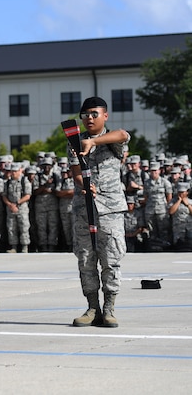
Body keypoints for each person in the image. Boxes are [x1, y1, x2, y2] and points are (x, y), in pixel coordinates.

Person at [68, 97, 130, 328]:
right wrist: (84, 185)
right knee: (85, 259)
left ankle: (109, 308)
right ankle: (92, 307)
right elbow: (75, 171)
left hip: (110, 209)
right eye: (85, 115)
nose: (89, 118)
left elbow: (123, 135)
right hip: (84, 209)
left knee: (111, 259)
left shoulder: (112, 140)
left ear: (105, 115)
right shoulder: (74, 140)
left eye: (94, 114)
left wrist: (93, 143)